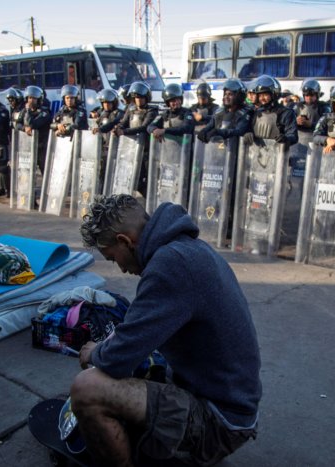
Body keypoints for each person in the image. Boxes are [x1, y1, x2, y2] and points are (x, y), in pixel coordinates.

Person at [72, 194, 261, 467]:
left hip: (219, 420)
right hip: (226, 402)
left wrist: (93, 353)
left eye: (114, 259)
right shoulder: (187, 249)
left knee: (87, 389)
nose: (122, 269)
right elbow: (138, 329)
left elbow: (117, 357)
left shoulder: (171, 266)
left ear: (125, 241)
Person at [114, 81, 159, 197]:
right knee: (135, 178)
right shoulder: (131, 109)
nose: (138, 100)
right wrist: (117, 128)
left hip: (147, 150)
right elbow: (123, 122)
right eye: (136, 97)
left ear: (146, 98)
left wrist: (124, 132)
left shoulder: (152, 111)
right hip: (131, 148)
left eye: (141, 97)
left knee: (149, 178)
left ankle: (149, 201)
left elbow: (143, 127)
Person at [244, 75, 297, 148]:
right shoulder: (255, 112)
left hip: (278, 155)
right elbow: (246, 127)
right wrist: (247, 133)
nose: (262, 98)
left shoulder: (286, 113)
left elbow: (293, 135)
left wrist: (286, 138)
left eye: (265, 94)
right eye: (260, 95)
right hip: (256, 155)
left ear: (274, 94)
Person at [196, 78, 251, 142]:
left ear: (239, 96)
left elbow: (239, 131)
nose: (226, 97)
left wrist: (219, 132)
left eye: (230, 94)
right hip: (217, 149)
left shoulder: (244, 113)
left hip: (235, 149)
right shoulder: (219, 112)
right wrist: (203, 131)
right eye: (225, 94)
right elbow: (210, 125)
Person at [15, 85, 52, 175]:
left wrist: (28, 112)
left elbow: (34, 124)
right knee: (27, 171)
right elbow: (17, 124)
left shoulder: (44, 111)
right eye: (29, 98)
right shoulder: (24, 111)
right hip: (28, 145)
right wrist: (24, 128)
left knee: (45, 169)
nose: (31, 100)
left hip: (42, 146)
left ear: (39, 99)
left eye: (34, 98)